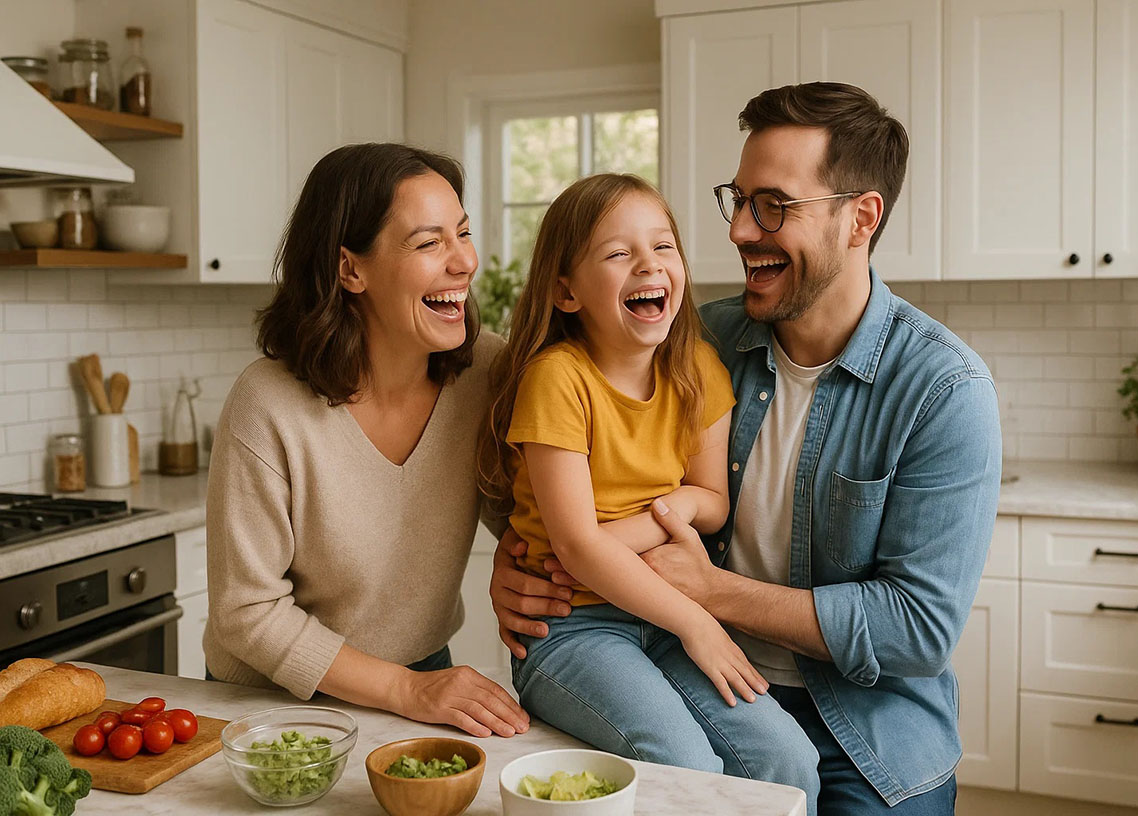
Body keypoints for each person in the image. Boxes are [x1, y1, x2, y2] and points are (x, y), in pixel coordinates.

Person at [491, 82, 1003, 814]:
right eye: (737, 200)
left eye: (772, 205)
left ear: (861, 218)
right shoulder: (695, 340)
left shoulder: (944, 389)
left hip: (867, 730)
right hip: (677, 662)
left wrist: (709, 594)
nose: (737, 230)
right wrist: (515, 563)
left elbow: (915, 629)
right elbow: (555, 492)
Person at [477, 172, 822, 809]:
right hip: (574, 625)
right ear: (566, 291)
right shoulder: (557, 380)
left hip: (663, 614)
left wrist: (654, 519)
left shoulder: (697, 368)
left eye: (663, 246)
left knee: (789, 759)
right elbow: (577, 551)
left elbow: (711, 502)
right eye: (618, 253)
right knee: (683, 764)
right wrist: (696, 621)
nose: (649, 264)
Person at [205, 143, 530, 740]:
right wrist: (405, 690)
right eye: (428, 243)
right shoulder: (268, 403)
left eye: (462, 233)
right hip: (271, 706)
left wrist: (515, 559)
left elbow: (520, 510)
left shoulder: (487, 372)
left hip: (421, 674)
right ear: (350, 269)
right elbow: (247, 613)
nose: (464, 261)